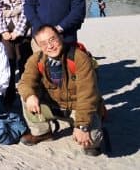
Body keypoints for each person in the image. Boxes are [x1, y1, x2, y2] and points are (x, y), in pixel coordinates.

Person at [18, 25, 104, 156]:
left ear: (60, 37)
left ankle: (80, 124)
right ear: (39, 46)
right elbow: (25, 82)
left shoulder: (79, 58)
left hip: (77, 107)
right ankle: (43, 133)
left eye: (52, 39)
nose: (50, 46)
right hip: (55, 106)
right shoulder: (36, 59)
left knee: (91, 141)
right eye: (43, 43)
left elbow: (87, 95)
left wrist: (82, 126)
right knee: (26, 96)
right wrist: (30, 96)